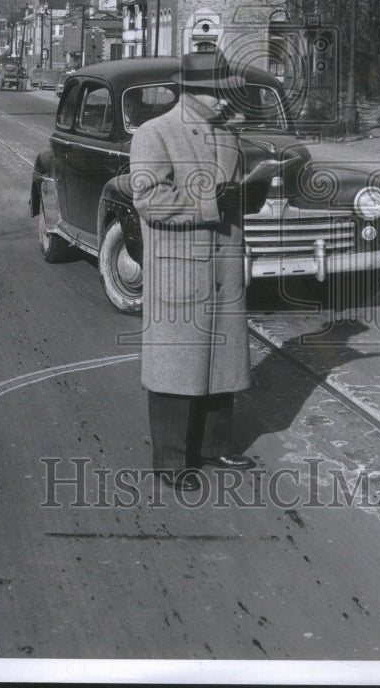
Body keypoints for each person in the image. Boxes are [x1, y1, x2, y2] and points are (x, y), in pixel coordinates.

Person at [129, 48, 258, 493]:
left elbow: (230, 194)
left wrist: (248, 197)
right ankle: (171, 460)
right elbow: (148, 201)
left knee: (222, 360)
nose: (226, 102)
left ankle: (215, 445)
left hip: (223, 262)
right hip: (179, 270)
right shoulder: (154, 134)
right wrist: (210, 203)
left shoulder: (228, 136)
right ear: (191, 92)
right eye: (219, 94)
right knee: (176, 365)